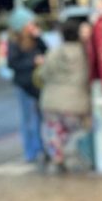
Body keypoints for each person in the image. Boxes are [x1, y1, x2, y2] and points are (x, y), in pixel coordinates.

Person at [39, 19, 91, 174]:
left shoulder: (53, 52)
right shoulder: (84, 53)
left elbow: (43, 74)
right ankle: (73, 157)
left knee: (53, 131)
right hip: (76, 103)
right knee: (77, 132)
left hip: (51, 101)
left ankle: (57, 159)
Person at [6, 7, 47, 164]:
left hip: (38, 84)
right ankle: (31, 152)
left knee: (41, 119)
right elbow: (12, 63)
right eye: (29, 23)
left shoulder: (35, 39)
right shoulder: (14, 42)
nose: (32, 25)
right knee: (29, 121)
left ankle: (42, 148)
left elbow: (46, 51)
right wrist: (32, 62)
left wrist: (39, 37)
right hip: (24, 85)